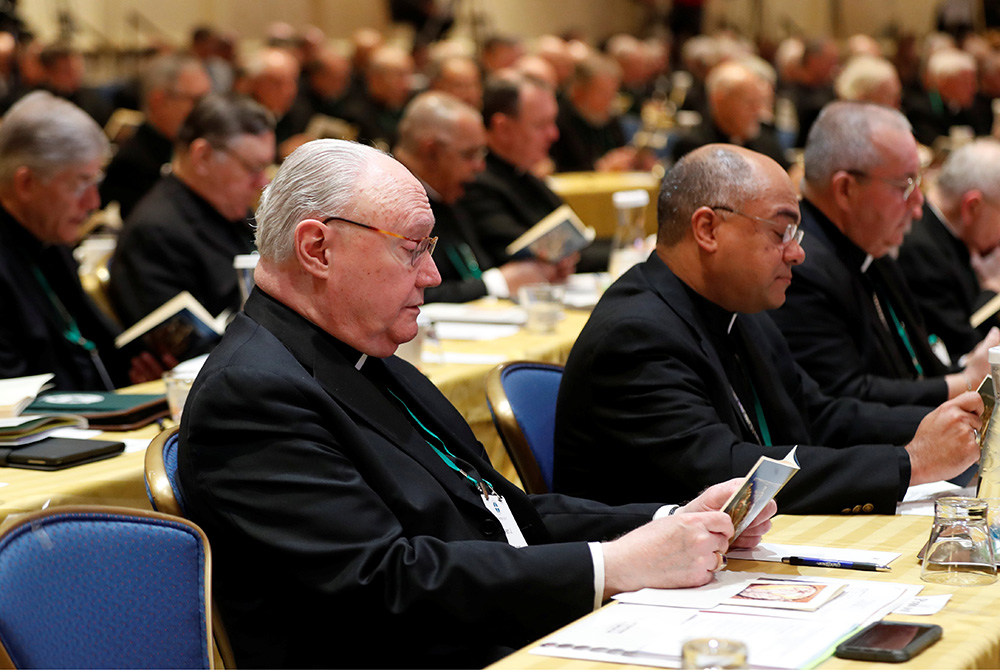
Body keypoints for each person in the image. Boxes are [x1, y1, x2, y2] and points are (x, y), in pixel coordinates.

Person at [176, 138, 775, 668]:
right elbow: (383, 584)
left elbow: (502, 514)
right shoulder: (252, 392)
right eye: (411, 248)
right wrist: (611, 567)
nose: (433, 275)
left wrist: (671, 522)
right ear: (317, 248)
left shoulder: (359, 354)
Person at [555, 143, 983, 513]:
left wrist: (947, 422)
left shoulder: (737, 308)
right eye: (781, 231)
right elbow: (725, 474)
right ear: (707, 229)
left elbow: (820, 417)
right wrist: (909, 463)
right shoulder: (635, 336)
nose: (798, 253)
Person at [773, 101, 998, 407]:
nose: (919, 205)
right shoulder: (800, 267)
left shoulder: (871, 246)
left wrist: (967, 370)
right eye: (905, 185)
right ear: (846, 190)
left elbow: (921, 365)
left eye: (918, 182)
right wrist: (966, 382)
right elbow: (844, 401)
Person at [0, 92, 160, 389]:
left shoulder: (50, 239)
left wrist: (131, 370)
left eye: (95, 182)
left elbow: (90, 342)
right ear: (26, 183)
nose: (93, 202)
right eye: (80, 184)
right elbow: (13, 401)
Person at [108, 93, 274, 327]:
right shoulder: (153, 233)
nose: (262, 182)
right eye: (253, 168)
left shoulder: (231, 208)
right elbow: (185, 347)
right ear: (203, 156)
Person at [394, 92, 570, 303]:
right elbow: (409, 295)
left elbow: (476, 267)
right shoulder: (389, 205)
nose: (480, 167)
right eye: (469, 155)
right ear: (431, 151)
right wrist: (496, 284)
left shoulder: (451, 192)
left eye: (481, 154)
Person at [459, 73, 600, 271]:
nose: (554, 134)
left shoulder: (523, 173)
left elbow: (578, 241)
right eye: (541, 125)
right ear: (503, 128)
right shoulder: (476, 182)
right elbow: (541, 254)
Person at [897, 139, 1000, 360]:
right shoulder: (920, 252)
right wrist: (992, 289)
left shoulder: (947, 233)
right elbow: (967, 350)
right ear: (972, 206)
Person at [99, 53, 212, 219]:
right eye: (196, 100)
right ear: (158, 101)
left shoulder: (193, 148)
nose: (207, 110)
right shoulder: (132, 164)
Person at [671, 60, 788, 169]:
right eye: (749, 103)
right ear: (719, 100)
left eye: (759, 102)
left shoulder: (765, 138)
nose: (757, 111)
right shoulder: (694, 147)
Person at [904, 47, 990, 147]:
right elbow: (935, 145)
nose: (973, 88)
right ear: (944, 83)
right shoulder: (921, 110)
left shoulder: (976, 107)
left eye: (973, 81)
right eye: (966, 82)